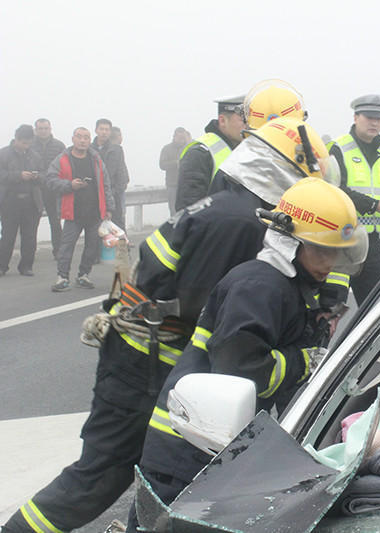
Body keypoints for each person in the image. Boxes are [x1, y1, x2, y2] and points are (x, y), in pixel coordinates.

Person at [1, 117, 341, 533]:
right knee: (102, 476)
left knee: (144, 481)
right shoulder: (244, 223)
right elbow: (218, 315)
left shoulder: (229, 205)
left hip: (145, 351)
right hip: (144, 360)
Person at [125, 178, 366, 531]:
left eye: (336, 252)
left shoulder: (289, 286)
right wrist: (304, 362)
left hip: (217, 449)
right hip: (186, 452)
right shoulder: (259, 288)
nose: (330, 261)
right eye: (321, 250)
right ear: (288, 241)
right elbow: (241, 368)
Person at [327, 94, 380, 305]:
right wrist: (375, 205)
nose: (374, 122)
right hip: (340, 240)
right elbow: (335, 190)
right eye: (369, 117)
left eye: (379, 118)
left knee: (377, 307)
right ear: (355, 117)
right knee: (331, 308)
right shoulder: (338, 148)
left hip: (371, 244)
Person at [45, 127, 113, 292]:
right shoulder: (62, 159)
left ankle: (83, 275)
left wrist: (109, 208)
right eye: (79, 137)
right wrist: (70, 185)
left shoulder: (96, 160)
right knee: (66, 246)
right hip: (72, 211)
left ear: (90, 140)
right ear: (73, 138)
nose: (82, 140)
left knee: (92, 246)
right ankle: (62, 277)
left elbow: (106, 185)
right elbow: (50, 180)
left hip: (95, 212)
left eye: (86, 137)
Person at [174, 96, 245, 211]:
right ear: (222, 121)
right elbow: (188, 211)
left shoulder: (246, 150)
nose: (249, 125)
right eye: (243, 120)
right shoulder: (200, 153)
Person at [0, 124, 45, 276]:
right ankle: (2, 266)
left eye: (29, 143)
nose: (26, 146)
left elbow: (45, 174)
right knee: (8, 235)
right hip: (10, 201)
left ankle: (26, 266)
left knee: (30, 236)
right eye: (24, 142)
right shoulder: (3, 154)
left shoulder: (35, 156)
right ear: (16, 139)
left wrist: (36, 176)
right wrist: (19, 175)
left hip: (31, 202)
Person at [30, 118, 66, 257]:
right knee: (32, 223)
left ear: (50, 129)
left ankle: (58, 251)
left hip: (53, 189)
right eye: (40, 128)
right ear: (35, 130)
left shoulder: (58, 146)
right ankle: (30, 252)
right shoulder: (30, 146)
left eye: (46, 128)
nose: (43, 131)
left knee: (55, 222)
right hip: (35, 189)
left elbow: (64, 166)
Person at [92, 118, 129, 230]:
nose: (104, 132)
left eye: (107, 130)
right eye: (101, 129)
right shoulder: (89, 150)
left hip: (113, 195)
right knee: (96, 229)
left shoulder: (117, 150)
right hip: (93, 197)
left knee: (118, 228)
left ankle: (122, 248)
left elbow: (121, 174)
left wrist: (114, 192)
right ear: (96, 130)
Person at [159, 127, 190, 215]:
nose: (182, 140)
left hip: (186, 185)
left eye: (183, 138)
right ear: (174, 137)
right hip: (172, 185)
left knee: (186, 211)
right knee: (174, 211)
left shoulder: (188, 148)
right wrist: (176, 163)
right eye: (180, 138)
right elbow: (162, 165)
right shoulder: (167, 149)